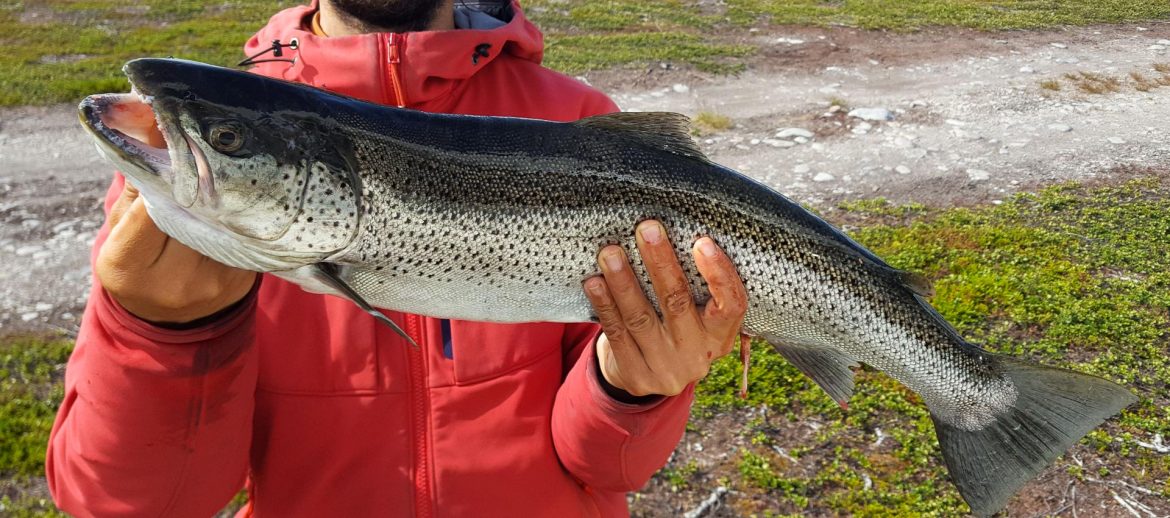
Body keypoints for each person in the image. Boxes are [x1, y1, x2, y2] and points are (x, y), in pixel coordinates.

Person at [46, 0, 748, 515]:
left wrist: (632, 389)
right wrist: (163, 335)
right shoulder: (188, 183)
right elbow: (131, 505)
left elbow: (608, 467)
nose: (221, 144)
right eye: (227, 141)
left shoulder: (578, 127)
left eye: (225, 141)